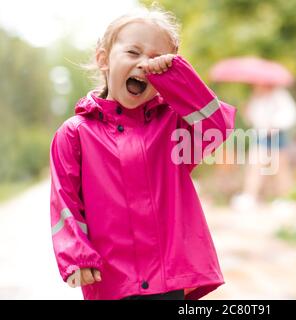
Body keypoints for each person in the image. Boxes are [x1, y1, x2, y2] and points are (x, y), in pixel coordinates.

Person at [49, 5, 236, 300]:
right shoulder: (75, 134)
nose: (144, 65)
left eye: (156, 59)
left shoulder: (174, 125)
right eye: (133, 53)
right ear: (103, 59)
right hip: (112, 279)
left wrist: (177, 77)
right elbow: (65, 204)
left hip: (168, 277)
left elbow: (217, 126)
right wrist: (76, 256)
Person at [232, 84, 296, 210]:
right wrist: (247, 112)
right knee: (254, 165)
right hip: (261, 134)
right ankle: (249, 196)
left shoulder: (280, 95)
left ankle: (287, 198)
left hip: (276, 134)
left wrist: (275, 124)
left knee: (280, 168)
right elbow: (253, 119)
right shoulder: (256, 98)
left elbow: (290, 115)